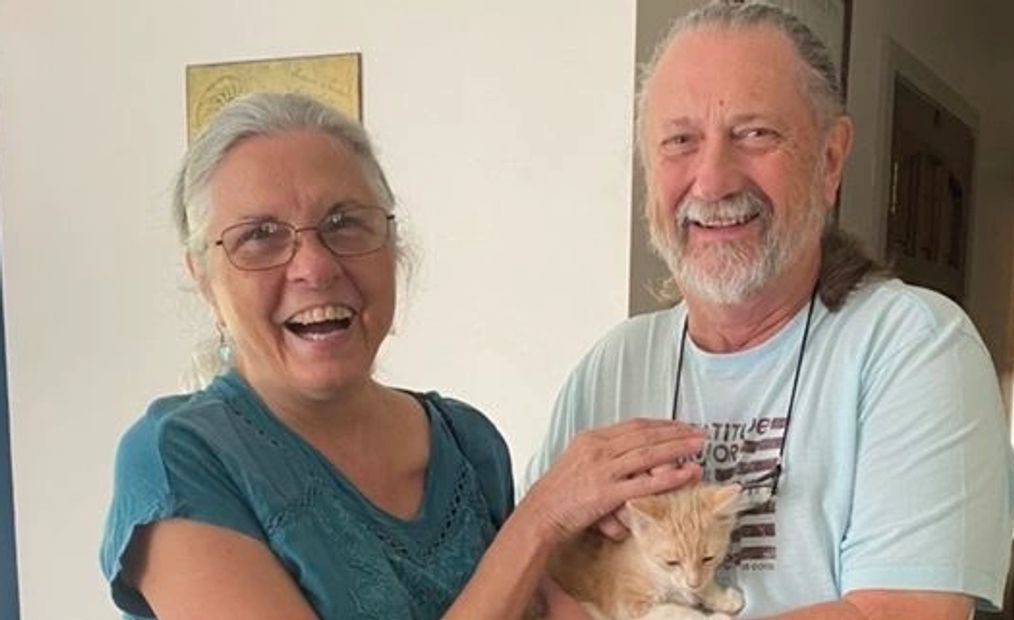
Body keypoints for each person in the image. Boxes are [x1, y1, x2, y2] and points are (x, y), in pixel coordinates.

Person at [100, 92, 705, 620]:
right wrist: (541, 521)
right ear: (205, 281)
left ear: (392, 246)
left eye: (344, 222)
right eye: (260, 235)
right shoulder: (178, 462)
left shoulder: (466, 443)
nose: (314, 266)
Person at [525, 3, 1014, 619]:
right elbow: (538, 588)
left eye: (754, 133)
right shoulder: (613, 365)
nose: (712, 182)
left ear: (830, 159)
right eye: (680, 140)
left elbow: (900, 613)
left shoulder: (915, 347)